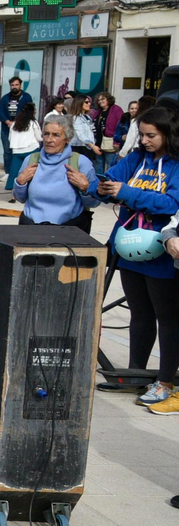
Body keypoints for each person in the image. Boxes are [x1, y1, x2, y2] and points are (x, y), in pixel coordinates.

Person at [98, 107, 179, 412]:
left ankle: (166, 381)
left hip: (162, 251)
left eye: (151, 135)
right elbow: (108, 183)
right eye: (141, 134)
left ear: (168, 133)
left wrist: (127, 192)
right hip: (129, 248)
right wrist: (103, 187)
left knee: (167, 319)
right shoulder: (135, 158)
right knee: (139, 314)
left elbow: (172, 203)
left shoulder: (175, 165)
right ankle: (136, 373)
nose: (144, 140)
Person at [14, 114, 100, 230]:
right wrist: (20, 183)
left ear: (68, 138)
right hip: (31, 229)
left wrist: (86, 189)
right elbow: (20, 198)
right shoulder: (31, 160)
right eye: (46, 134)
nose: (49, 140)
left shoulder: (80, 163)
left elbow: (93, 203)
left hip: (68, 231)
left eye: (56, 135)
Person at [0, 75, 33, 181]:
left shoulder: (26, 97)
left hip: (20, 129)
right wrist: (8, 122)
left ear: (20, 85)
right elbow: (0, 112)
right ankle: (8, 172)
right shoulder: (5, 98)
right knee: (7, 151)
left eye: (16, 85)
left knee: (18, 150)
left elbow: (29, 111)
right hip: (6, 128)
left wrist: (19, 122)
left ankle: (19, 172)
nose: (14, 87)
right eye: (12, 85)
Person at [4, 102, 42, 191]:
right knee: (32, 172)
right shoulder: (33, 123)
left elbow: (10, 138)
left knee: (14, 172)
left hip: (17, 151)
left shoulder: (14, 124)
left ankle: (13, 194)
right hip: (31, 150)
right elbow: (39, 137)